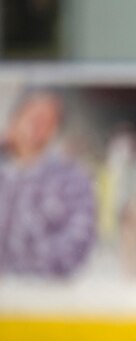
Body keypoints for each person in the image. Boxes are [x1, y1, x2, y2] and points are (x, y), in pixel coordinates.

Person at [0, 89, 96, 278]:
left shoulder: (72, 179)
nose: (37, 126)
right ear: (15, 118)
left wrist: (15, 271)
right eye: (32, 116)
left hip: (44, 295)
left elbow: (76, 244)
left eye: (47, 121)